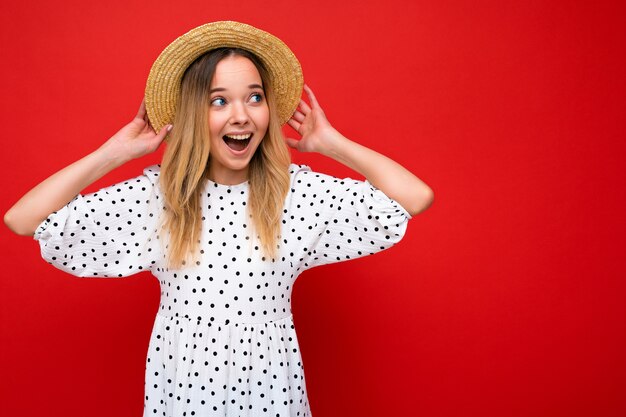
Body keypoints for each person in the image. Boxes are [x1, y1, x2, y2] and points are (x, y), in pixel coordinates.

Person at [4, 21, 433, 417]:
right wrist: (110, 155)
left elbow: (415, 196)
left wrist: (332, 144)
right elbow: (23, 219)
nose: (241, 115)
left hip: (271, 395)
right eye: (219, 101)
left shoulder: (294, 195)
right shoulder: (161, 198)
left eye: (254, 96)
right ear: (194, 113)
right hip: (184, 393)